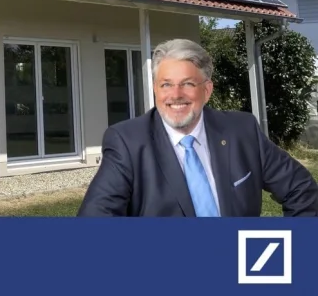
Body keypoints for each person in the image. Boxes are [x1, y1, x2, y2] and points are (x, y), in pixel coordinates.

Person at [78, 38, 318, 217]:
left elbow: (303, 191)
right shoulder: (127, 142)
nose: (175, 95)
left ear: (207, 90)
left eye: (188, 84)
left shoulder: (241, 130)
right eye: (166, 85)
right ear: (155, 89)